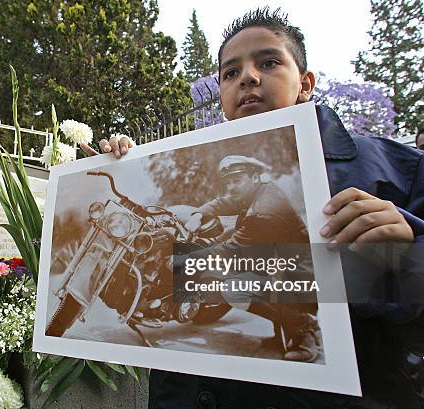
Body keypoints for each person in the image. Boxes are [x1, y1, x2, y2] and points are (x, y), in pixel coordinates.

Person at [82, 7, 424, 409]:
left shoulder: (397, 168)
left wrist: (407, 253)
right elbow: (224, 201)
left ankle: (301, 329)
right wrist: (118, 164)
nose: (248, 77)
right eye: (230, 73)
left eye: (269, 62)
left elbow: (237, 247)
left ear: (306, 83)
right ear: (223, 95)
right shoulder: (233, 169)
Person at [185, 154, 319, 362]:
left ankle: (304, 328)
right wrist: (198, 215)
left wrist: (186, 258)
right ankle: (282, 332)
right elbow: (223, 202)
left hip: (301, 273)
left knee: (233, 289)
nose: (231, 187)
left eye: (236, 181)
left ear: (254, 177)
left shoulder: (263, 211)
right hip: (279, 262)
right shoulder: (257, 191)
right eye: (228, 182)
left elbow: (232, 248)